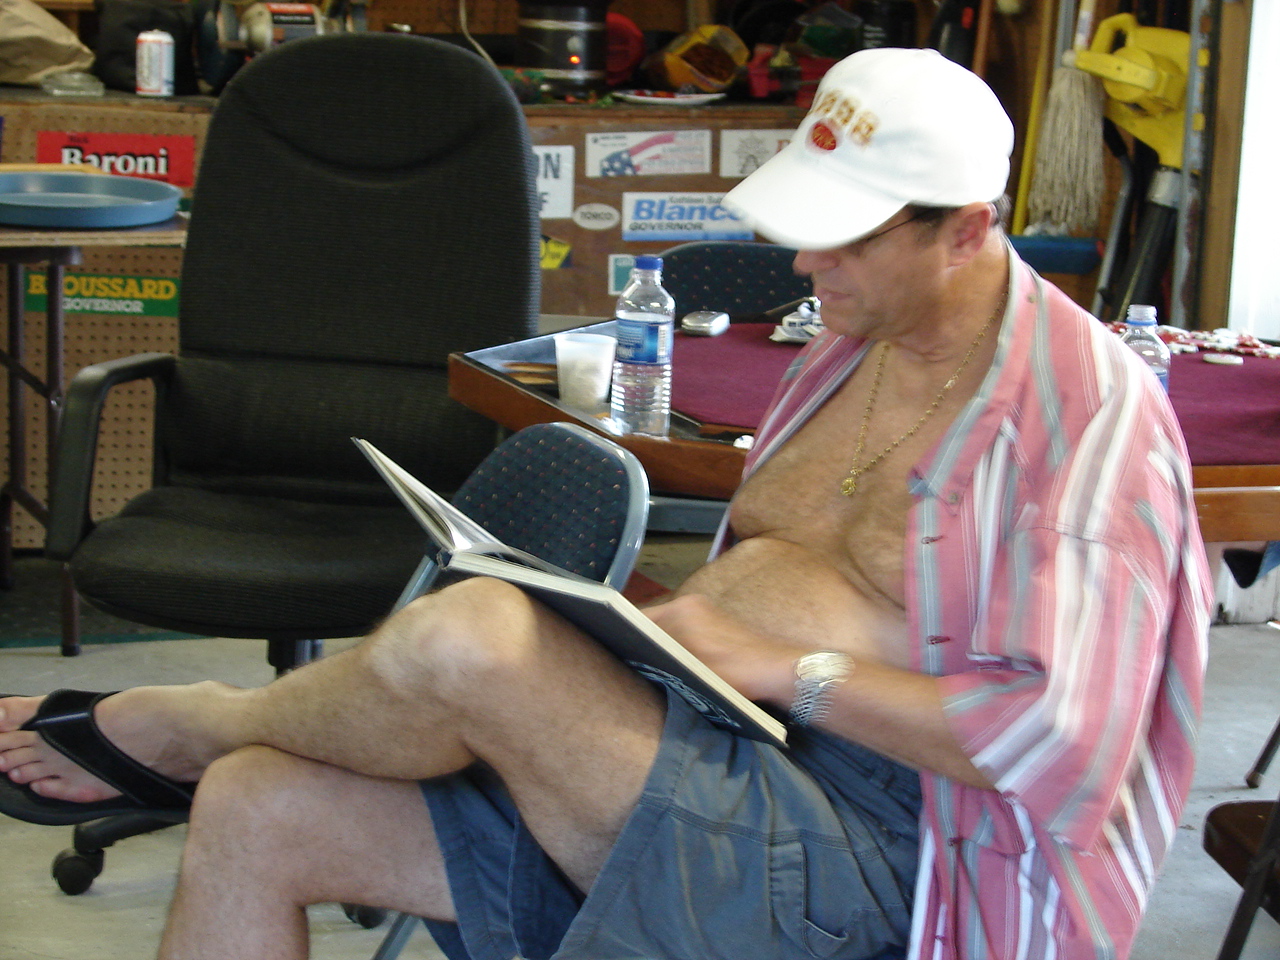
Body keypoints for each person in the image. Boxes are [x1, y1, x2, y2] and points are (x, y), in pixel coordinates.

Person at [0, 47, 1212, 960]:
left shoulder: (1080, 427)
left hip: (888, 859)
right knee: (255, 806)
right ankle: (215, 749)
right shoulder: (857, 340)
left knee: (472, 638)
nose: (805, 268)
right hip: (717, 750)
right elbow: (808, 571)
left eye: (843, 242)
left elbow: (1063, 747)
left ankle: (197, 720)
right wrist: (641, 626)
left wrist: (786, 669)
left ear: (966, 232)